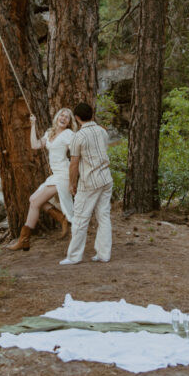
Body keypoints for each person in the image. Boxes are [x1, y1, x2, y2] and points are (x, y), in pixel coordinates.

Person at [5, 107, 76, 251]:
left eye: (67, 117)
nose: (63, 118)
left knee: (35, 201)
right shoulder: (50, 132)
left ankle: (24, 240)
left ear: (69, 122)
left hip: (63, 174)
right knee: (34, 200)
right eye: (61, 115)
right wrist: (33, 125)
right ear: (57, 117)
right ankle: (60, 218)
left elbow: (76, 153)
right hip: (55, 175)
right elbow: (35, 145)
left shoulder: (69, 134)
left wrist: (75, 177)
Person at [60, 102, 113, 265]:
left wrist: (71, 183)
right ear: (91, 115)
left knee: (80, 218)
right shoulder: (102, 132)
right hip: (106, 178)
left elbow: (74, 163)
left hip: (90, 181)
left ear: (76, 118)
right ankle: (104, 254)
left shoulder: (78, 137)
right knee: (103, 216)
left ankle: (74, 256)